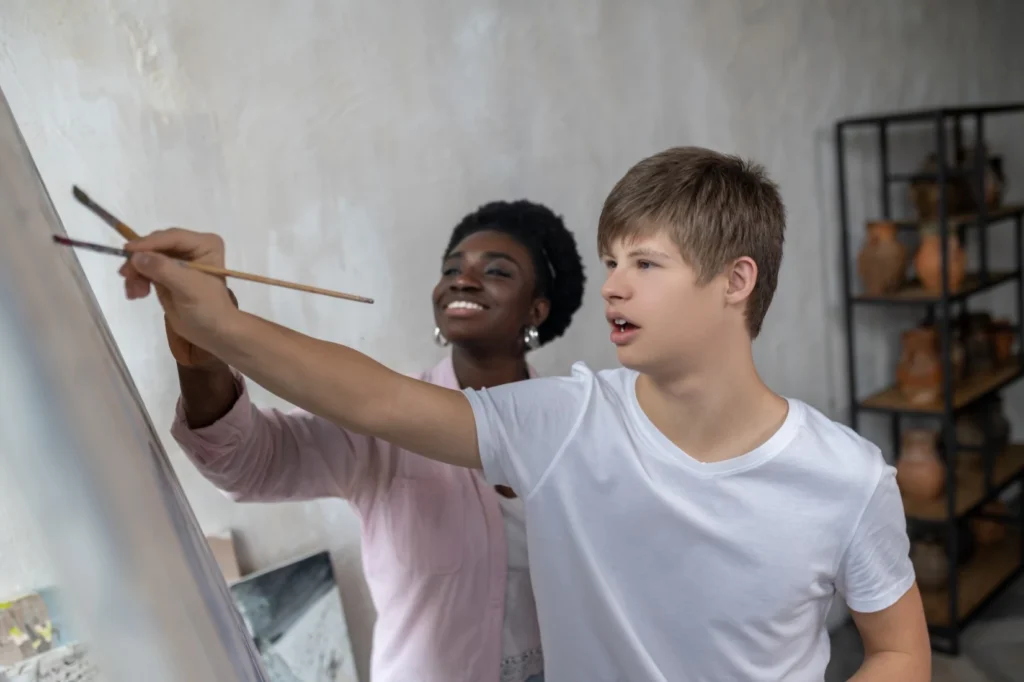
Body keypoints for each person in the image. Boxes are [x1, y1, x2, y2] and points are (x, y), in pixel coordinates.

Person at [120, 146, 931, 681]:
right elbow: (371, 398)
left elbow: (898, 649)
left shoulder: (847, 476)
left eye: (644, 264)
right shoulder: (562, 423)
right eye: (613, 263)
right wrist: (216, 324)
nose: (616, 285)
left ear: (736, 281)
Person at [155, 200, 586, 682]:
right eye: (451, 269)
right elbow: (245, 461)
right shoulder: (382, 419)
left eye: (497, 271)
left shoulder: (578, 425)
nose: (462, 280)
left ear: (537, 309)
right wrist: (205, 357)